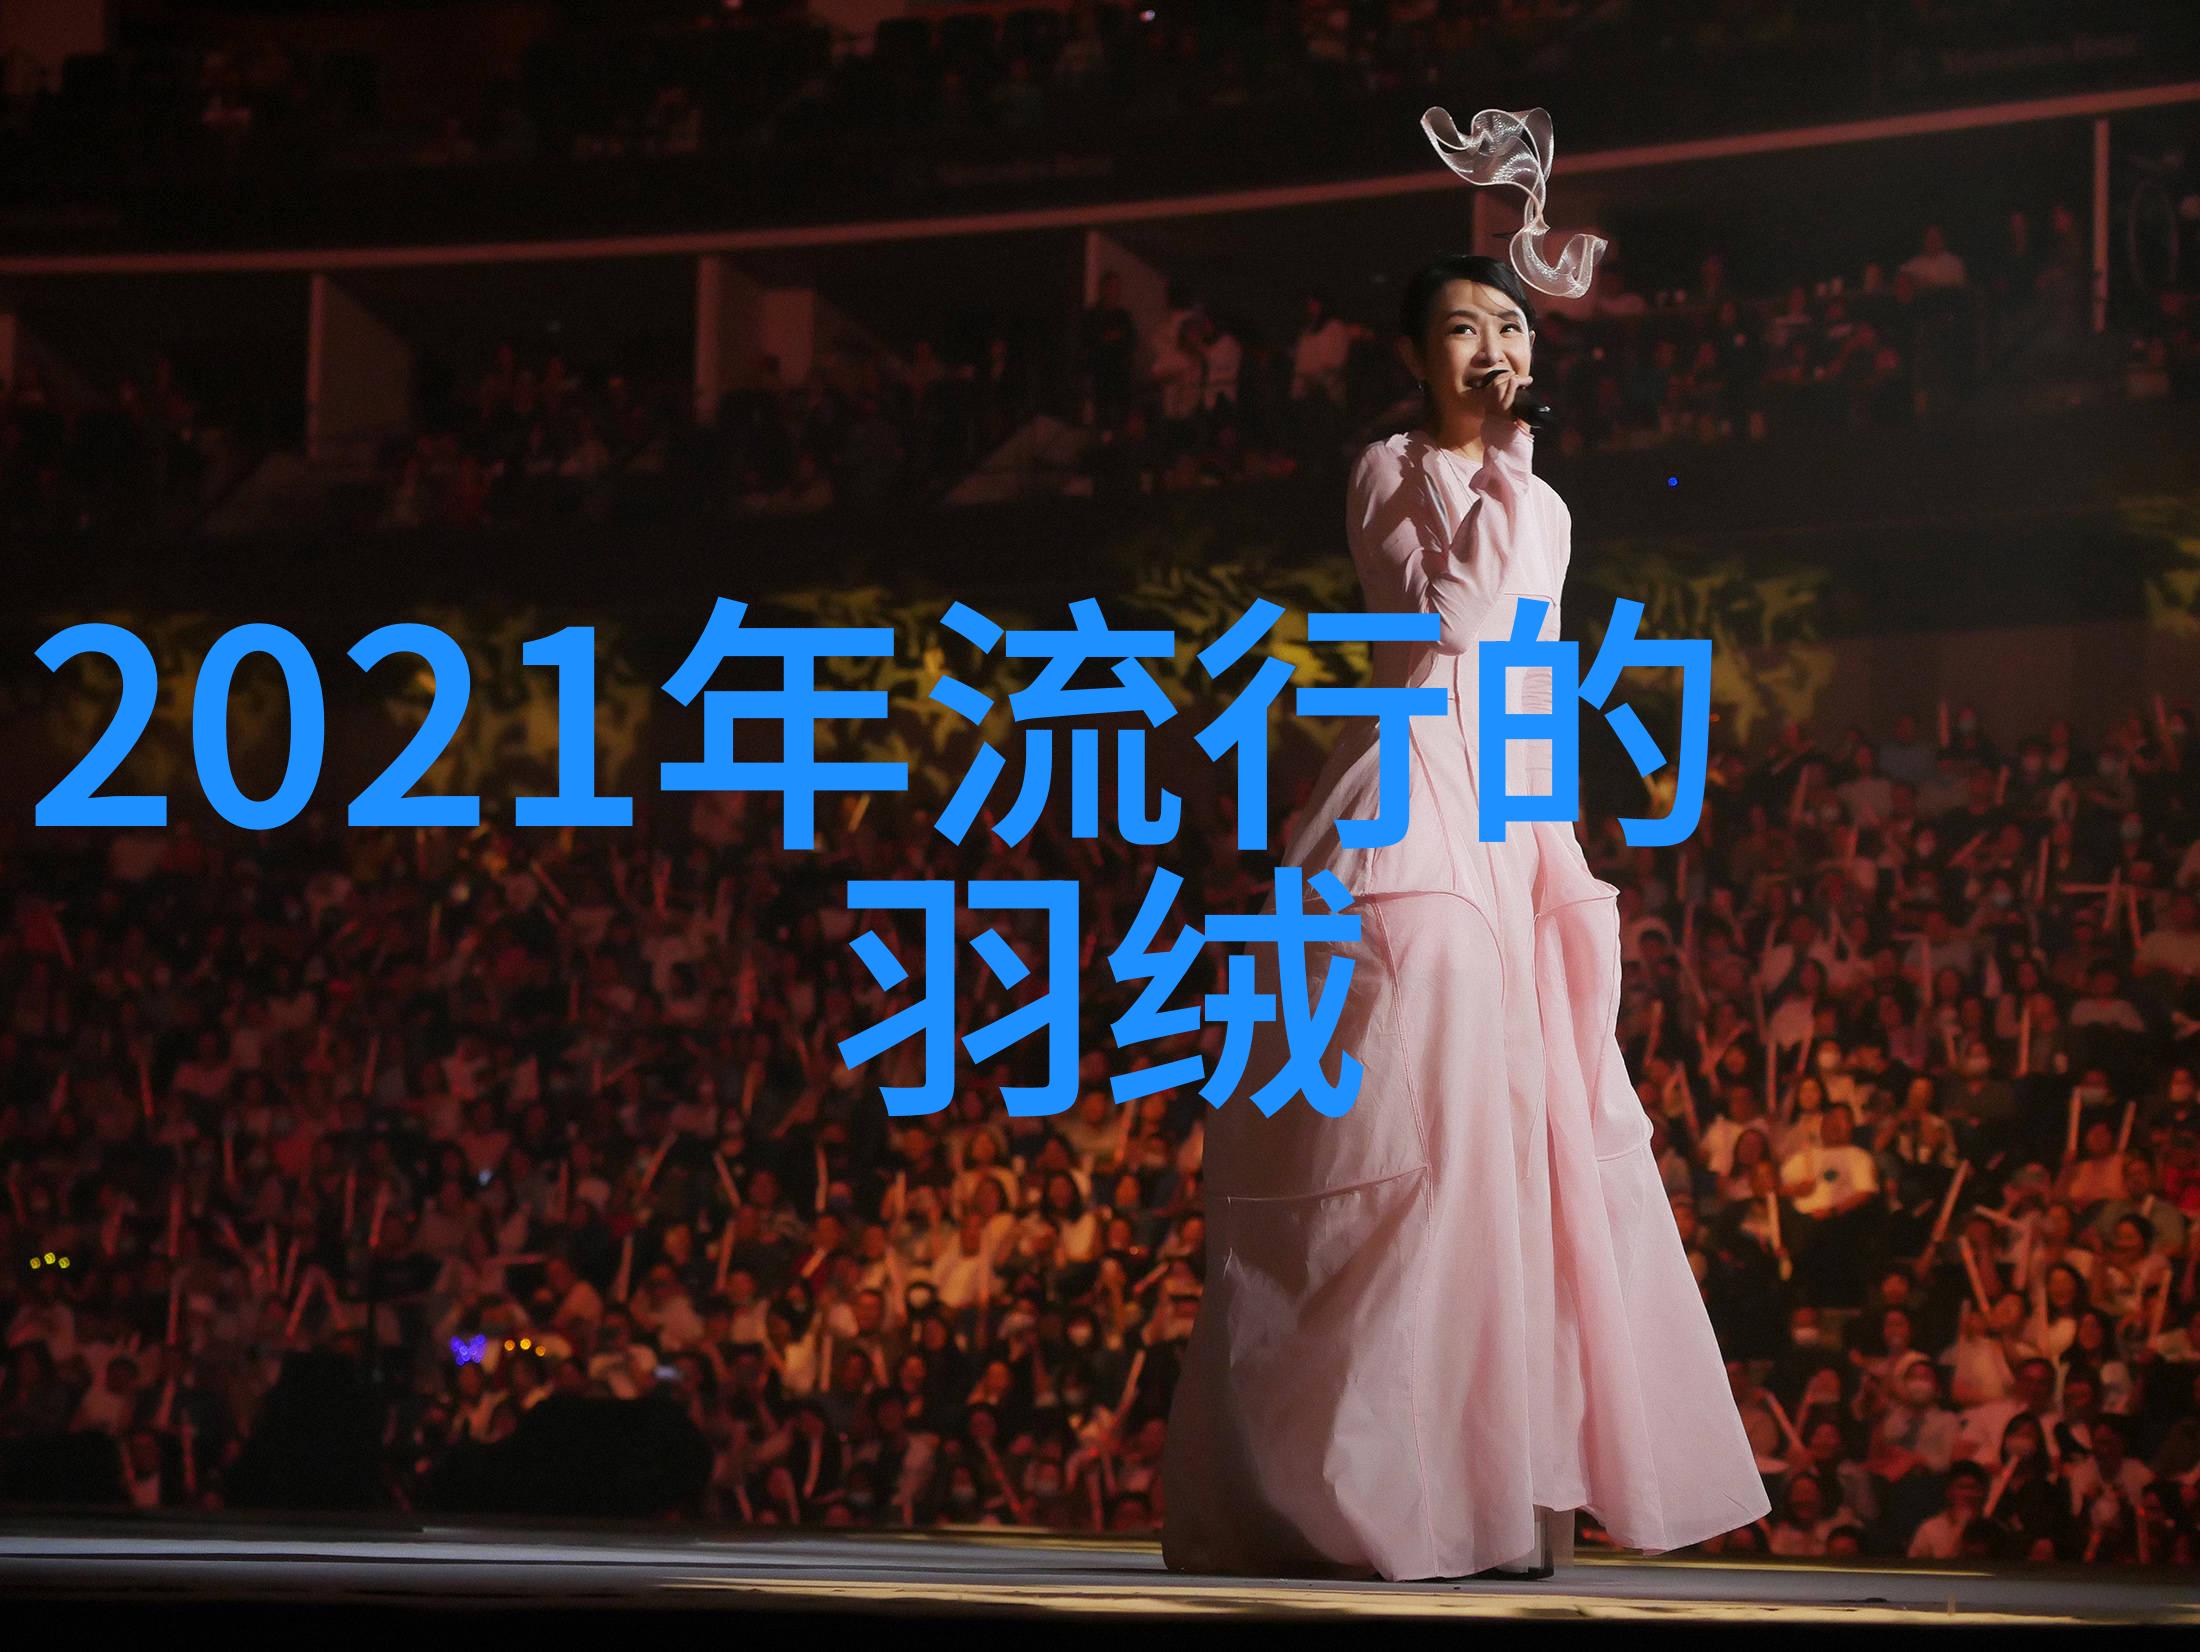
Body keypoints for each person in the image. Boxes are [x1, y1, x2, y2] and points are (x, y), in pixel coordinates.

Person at [1160, 251, 1769, 1584]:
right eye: (1459, 327)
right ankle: (1357, 1489)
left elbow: (1526, 668)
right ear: (1414, 354)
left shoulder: (1543, 501)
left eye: (1509, 325)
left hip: (1507, 809)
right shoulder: (1389, 470)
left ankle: (1491, 1491)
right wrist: (1504, 456)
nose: (1489, 346)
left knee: (1515, 1147)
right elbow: (1454, 620)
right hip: (1413, 790)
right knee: (1402, 1121)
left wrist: (1551, 841)